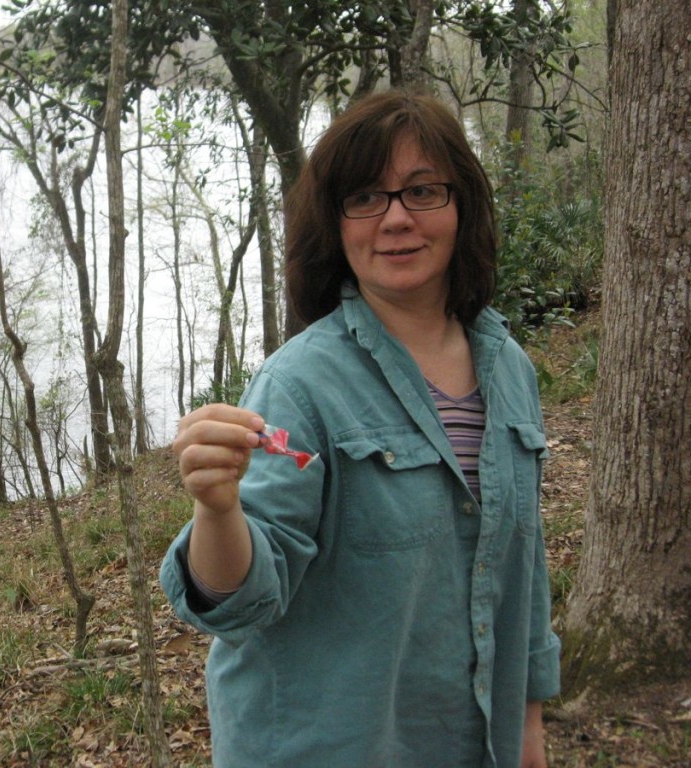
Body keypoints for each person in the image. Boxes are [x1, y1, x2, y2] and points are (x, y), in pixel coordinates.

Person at [160, 90, 561, 768]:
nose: (397, 219)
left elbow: (521, 570)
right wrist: (216, 508)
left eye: (422, 191)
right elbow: (239, 601)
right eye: (366, 198)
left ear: (460, 206)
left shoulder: (509, 371)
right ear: (338, 225)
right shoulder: (299, 387)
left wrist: (526, 727)